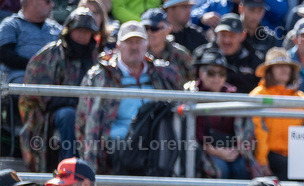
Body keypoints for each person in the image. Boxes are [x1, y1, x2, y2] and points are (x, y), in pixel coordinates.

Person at [75, 21, 182, 174]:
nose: (134, 47)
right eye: (128, 42)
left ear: (146, 45)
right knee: (130, 153)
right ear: (118, 46)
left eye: (138, 42)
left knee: (189, 149)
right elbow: (85, 119)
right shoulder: (100, 75)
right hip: (118, 142)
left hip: (156, 139)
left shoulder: (162, 73)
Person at [19, 8, 100, 171]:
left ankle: (95, 175)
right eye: (79, 30)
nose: (82, 35)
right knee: (69, 116)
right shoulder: (49, 54)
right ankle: (69, 170)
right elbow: (33, 94)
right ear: (69, 30)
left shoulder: (97, 58)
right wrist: (71, 100)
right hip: (51, 113)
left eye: (87, 31)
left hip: (90, 110)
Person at [187, 49, 256, 180]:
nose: (217, 78)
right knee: (221, 169)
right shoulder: (192, 95)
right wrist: (214, 151)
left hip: (232, 149)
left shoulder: (233, 96)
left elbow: (244, 131)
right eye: (211, 73)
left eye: (222, 73)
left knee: (242, 168)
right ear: (201, 73)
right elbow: (193, 135)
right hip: (203, 151)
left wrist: (237, 149)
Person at [251, 47, 304, 179]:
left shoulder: (302, 99)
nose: (284, 69)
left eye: (286, 66)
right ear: (269, 71)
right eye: (278, 66)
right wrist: (262, 160)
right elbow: (258, 131)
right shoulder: (258, 95)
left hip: (296, 156)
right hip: (269, 156)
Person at [192, 13, 260, 93]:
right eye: (223, 35)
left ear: (242, 36)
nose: (226, 40)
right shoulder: (201, 55)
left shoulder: (253, 59)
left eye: (231, 36)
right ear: (216, 34)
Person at [0, 0, 62, 84]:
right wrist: (36, 66)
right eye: (47, 2)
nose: (52, 5)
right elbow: (5, 54)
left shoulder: (56, 28)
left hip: (55, 78)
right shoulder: (11, 25)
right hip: (20, 77)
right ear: (32, 2)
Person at [141, 8, 193, 76]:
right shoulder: (138, 54)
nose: (149, 33)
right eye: (145, 28)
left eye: (154, 28)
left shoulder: (180, 54)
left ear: (168, 30)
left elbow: (192, 77)